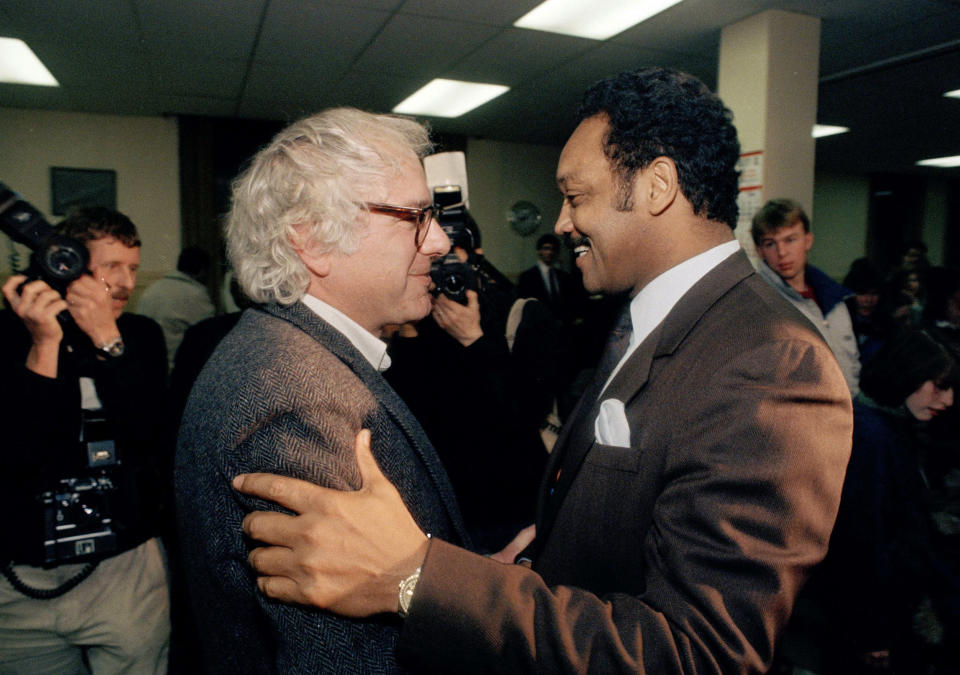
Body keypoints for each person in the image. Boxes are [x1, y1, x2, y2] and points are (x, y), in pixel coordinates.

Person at [233, 67, 853, 673]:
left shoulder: (771, 363)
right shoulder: (644, 316)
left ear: (659, 186)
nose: (560, 221)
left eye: (575, 196)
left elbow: (699, 653)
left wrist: (422, 582)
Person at [174, 107, 471, 673]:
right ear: (310, 241)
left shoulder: (282, 348)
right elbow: (348, 657)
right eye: (415, 216)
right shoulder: (298, 397)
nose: (438, 241)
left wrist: (461, 578)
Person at [0, 207, 170, 674]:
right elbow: (23, 453)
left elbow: (151, 435)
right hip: (23, 577)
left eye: (133, 268)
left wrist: (106, 339)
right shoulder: (12, 335)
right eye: (111, 266)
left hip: (123, 569)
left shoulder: (139, 336)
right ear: (63, 262)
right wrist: (45, 345)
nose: (126, 284)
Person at [387, 214, 560, 551]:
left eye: (456, 254)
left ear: (478, 256)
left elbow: (527, 415)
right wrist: (405, 331)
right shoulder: (417, 320)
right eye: (436, 260)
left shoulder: (522, 316)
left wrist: (476, 340)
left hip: (510, 510)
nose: (446, 267)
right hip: (446, 515)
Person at [804, 329, 960, 673]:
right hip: (873, 621)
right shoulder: (871, 437)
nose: (948, 399)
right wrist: (872, 634)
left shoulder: (889, 426)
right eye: (938, 385)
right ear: (906, 374)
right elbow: (862, 544)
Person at [752, 198, 862, 395]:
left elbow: (851, 362)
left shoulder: (837, 299)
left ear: (808, 241)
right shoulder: (758, 303)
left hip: (849, 413)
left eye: (790, 240)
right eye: (770, 244)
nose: (782, 252)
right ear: (760, 251)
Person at [136, 245, 216, 371]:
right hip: (175, 369)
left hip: (145, 365)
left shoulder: (152, 289)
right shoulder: (196, 295)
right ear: (202, 271)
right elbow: (209, 336)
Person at [517, 232, 581, 323]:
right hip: (538, 325)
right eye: (546, 248)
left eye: (553, 249)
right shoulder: (527, 277)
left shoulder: (563, 276)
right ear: (539, 251)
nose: (550, 252)